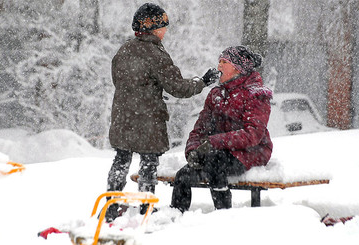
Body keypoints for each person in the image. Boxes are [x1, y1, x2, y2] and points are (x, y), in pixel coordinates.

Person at [105, 3, 219, 221]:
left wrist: (141, 93)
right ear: (154, 28)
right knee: (148, 164)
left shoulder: (124, 50)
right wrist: (203, 81)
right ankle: (145, 206)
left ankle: (111, 204)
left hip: (121, 116)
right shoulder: (156, 54)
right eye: (163, 26)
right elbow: (178, 88)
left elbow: (119, 81)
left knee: (121, 160)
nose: (166, 31)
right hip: (147, 120)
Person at [170, 46, 273, 212]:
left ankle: (223, 215)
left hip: (252, 151)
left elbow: (253, 135)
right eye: (219, 61)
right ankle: (175, 216)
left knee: (215, 164)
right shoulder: (216, 94)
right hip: (217, 151)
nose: (219, 66)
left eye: (224, 62)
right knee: (183, 175)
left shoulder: (255, 94)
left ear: (238, 68)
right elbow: (199, 129)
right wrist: (193, 151)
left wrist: (213, 142)